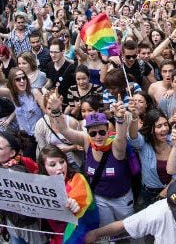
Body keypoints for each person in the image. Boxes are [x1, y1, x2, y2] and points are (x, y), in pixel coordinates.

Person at [46, 93, 134, 227]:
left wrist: (120, 118)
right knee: (106, 232)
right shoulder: (87, 141)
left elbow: (121, 137)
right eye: (93, 133)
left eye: (102, 132)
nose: (98, 136)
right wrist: (56, 110)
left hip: (122, 199)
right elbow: (64, 130)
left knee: (130, 229)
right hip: (100, 199)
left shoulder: (116, 146)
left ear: (107, 131)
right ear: (87, 133)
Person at [36, 146, 99, 244]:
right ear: (44, 168)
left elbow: (79, 201)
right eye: (53, 164)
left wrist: (74, 206)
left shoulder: (77, 179)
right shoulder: (40, 186)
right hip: (55, 238)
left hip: (76, 237)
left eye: (62, 161)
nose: (60, 167)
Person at [127, 108, 176, 207]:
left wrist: (165, 191)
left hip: (173, 191)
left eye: (166, 124)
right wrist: (135, 118)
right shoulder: (143, 143)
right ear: (150, 129)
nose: (164, 129)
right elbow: (133, 137)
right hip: (150, 194)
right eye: (159, 126)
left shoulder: (175, 141)